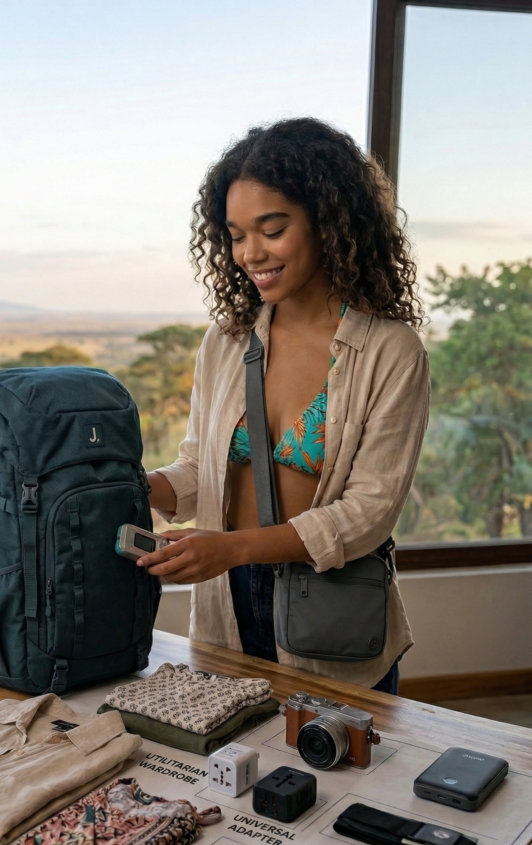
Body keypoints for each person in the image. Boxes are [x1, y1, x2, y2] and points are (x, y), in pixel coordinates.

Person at [137, 118, 430, 694]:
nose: (250, 253)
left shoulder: (390, 352)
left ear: (329, 220)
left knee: (334, 777)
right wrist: (130, 486)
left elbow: (367, 515)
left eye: (271, 229)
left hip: (331, 613)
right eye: (236, 234)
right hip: (227, 603)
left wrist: (232, 548)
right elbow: (200, 470)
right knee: (231, 770)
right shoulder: (225, 342)